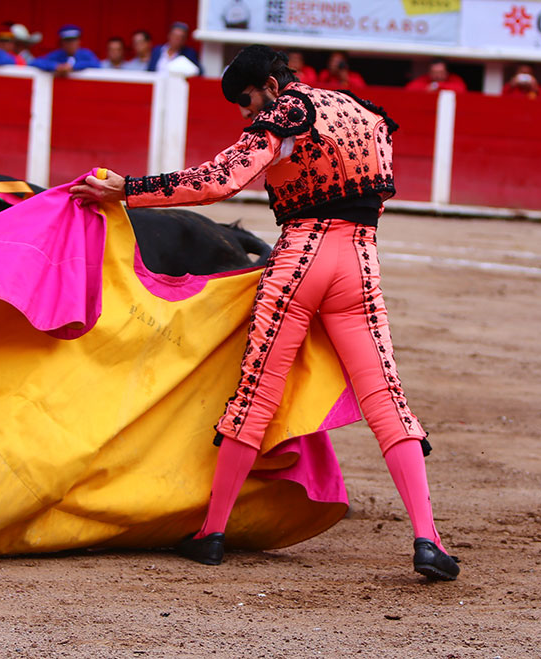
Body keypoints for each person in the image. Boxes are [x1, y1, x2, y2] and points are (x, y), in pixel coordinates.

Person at [69, 44, 460, 581]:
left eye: (249, 102)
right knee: (386, 396)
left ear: (271, 87)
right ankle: (428, 540)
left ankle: (212, 533)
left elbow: (219, 180)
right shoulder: (364, 112)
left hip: (300, 262)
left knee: (256, 393)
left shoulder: (287, 112)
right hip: (361, 262)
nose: (249, 114)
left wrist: (128, 190)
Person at [31, 25, 100, 75]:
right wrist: (56, 66)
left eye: (73, 40)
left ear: (79, 41)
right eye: (67, 41)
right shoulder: (56, 55)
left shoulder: (86, 54)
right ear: (62, 43)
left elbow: (97, 65)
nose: (70, 44)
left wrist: (73, 66)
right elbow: (35, 62)